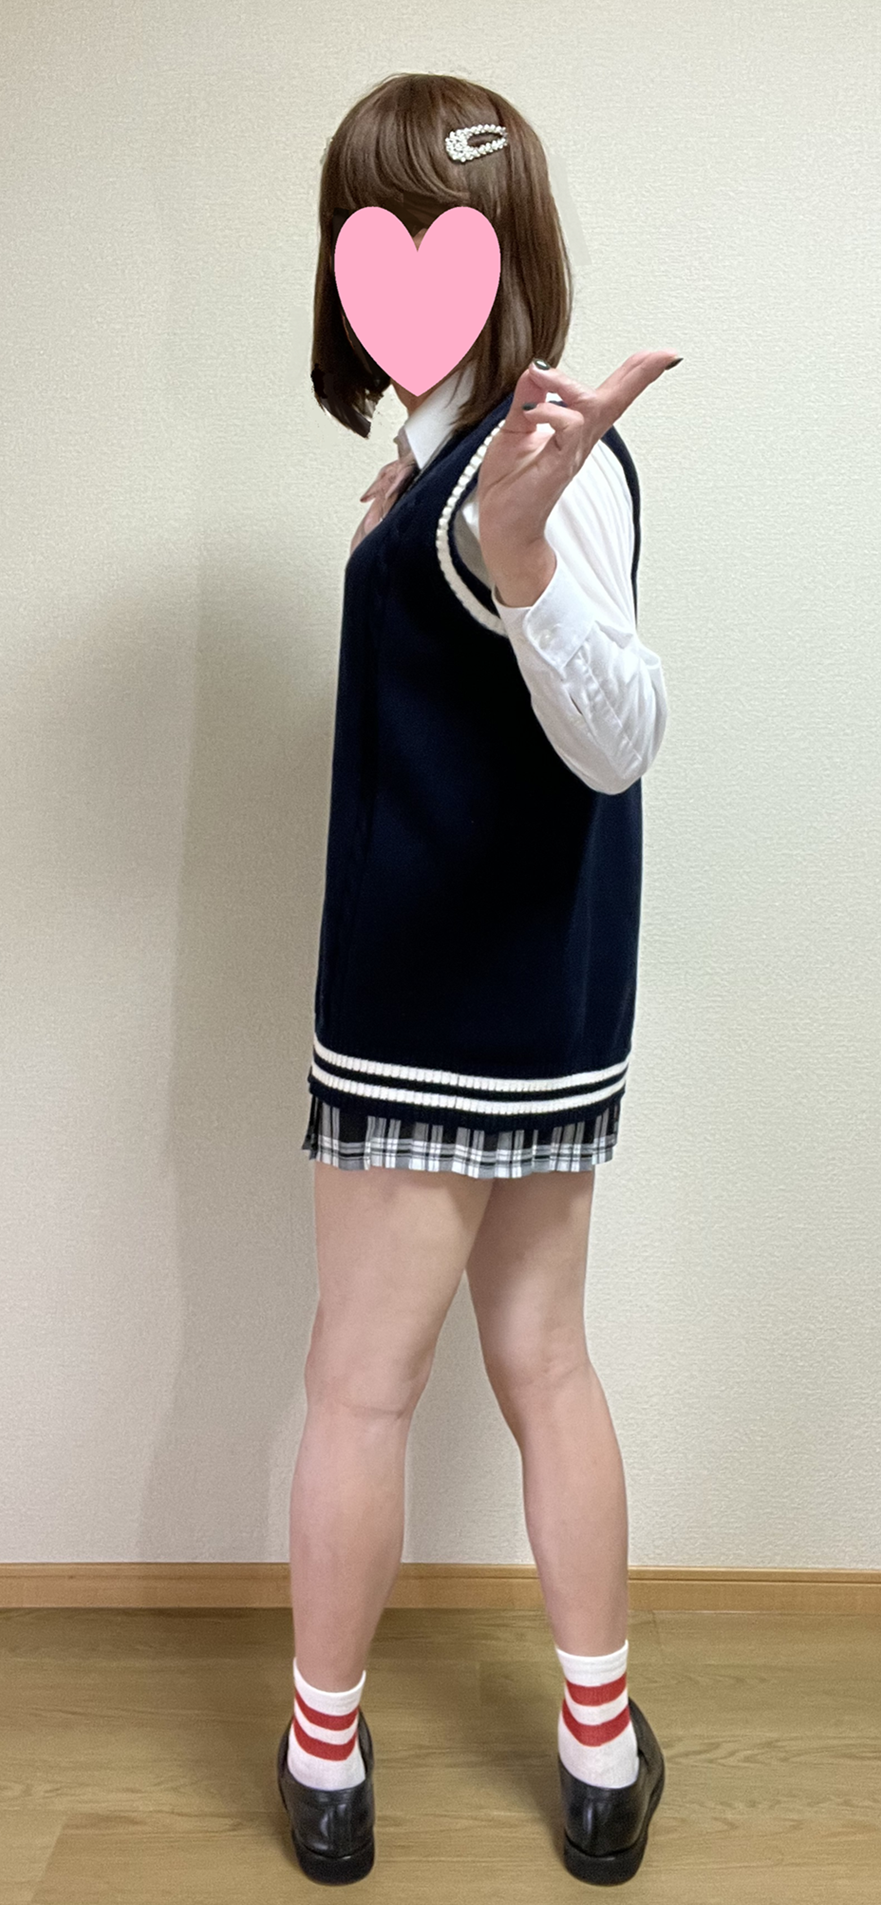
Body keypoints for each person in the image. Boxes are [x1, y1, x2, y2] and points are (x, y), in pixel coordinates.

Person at [276, 70, 678, 1886]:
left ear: (500, 253)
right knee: (547, 1362)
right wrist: (448, 535)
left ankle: (324, 1761)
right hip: (546, 1009)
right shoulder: (463, 463)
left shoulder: (522, 474)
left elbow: (618, 733)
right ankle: (599, 1755)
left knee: (363, 1386)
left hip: (423, 1009)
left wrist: (514, 558)